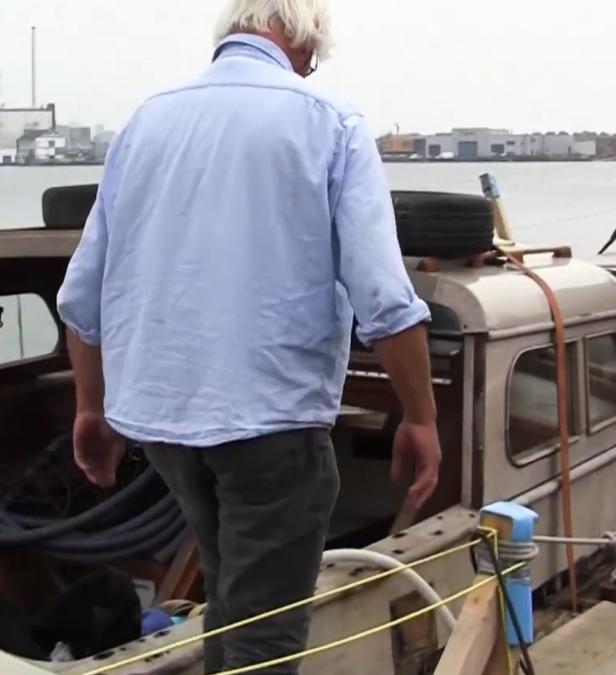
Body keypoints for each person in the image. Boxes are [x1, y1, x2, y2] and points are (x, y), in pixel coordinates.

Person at [55, 0, 442, 672]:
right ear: (303, 40)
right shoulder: (329, 121)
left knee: (232, 595)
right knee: (266, 633)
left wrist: (91, 408)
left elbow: (82, 297)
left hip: (165, 426)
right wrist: (420, 415)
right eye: (314, 56)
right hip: (273, 426)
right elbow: (382, 293)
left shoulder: (147, 122)